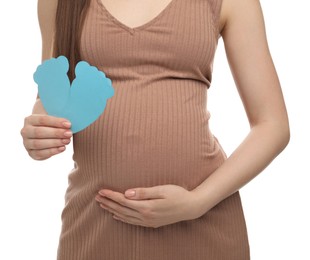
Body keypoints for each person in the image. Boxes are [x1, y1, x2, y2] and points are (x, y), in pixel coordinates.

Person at [20, 0, 290, 259]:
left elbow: (273, 125)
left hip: (202, 226)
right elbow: (52, 96)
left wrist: (197, 203)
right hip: (96, 224)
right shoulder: (58, 2)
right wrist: (39, 131)